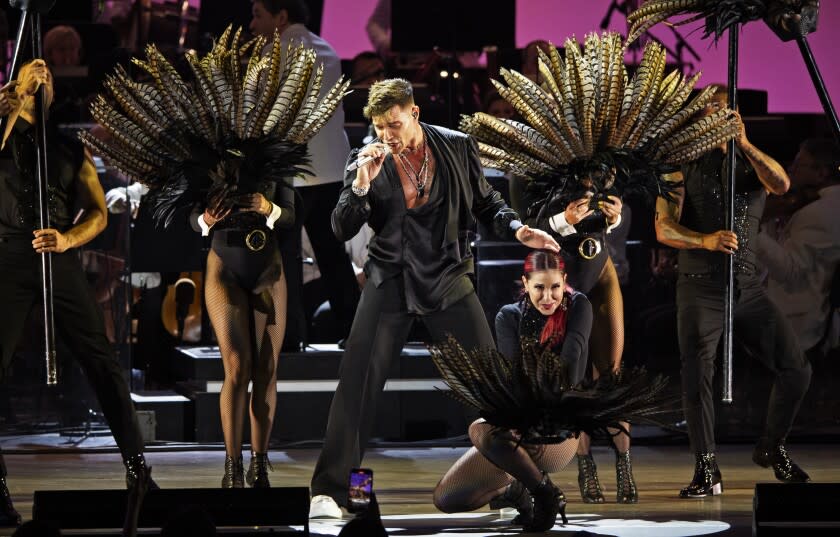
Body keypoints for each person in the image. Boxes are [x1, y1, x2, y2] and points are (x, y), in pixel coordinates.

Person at [308, 78, 560, 519]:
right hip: (390, 281)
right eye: (379, 126)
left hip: (448, 280)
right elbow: (340, 227)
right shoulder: (364, 159)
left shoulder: (458, 148)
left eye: (394, 123)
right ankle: (336, 490)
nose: (387, 134)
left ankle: (512, 485)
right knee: (358, 388)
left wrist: (519, 230)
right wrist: (361, 185)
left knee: (488, 389)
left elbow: (487, 204)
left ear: (415, 114)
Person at [0, 60, 152, 527]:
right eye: (31, 73)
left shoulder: (68, 146)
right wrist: (13, 101)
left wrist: (67, 238)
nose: (40, 77)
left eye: (45, 76)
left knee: (102, 362)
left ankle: (138, 473)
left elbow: (99, 212)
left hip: (58, 258)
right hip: (6, 257)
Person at [654, 86, 812, 498]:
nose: (717, 119)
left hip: (746, 287)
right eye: (710, 112)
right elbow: (663, 227)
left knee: (797, 368)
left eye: (725, 112)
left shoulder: (750, 159)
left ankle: (771, 446)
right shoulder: (680, 164)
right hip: (700, 287)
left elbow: (781, 184)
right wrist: (705, 240)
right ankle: (707, 468)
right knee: (697, 373)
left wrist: (744, 143)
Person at [433, 250, 591, 531]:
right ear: (525, 283)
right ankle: (528, 490)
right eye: (539, 287)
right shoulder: (509, 316)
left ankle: (543, 493)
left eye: (555, 287)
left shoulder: (578, 306)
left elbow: (570, 365)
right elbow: (514, 383)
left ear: (564, 281)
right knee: (447, 497)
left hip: (561, 426)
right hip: (519, 427)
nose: (548, 297)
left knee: (486, 432)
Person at [250, 0, 360, 347]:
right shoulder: (327, 48)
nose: (251, 25)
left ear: (281, 17)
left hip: (292, 173)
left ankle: (289, 337)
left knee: (284, 257)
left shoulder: (274, 52)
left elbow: (260, 115)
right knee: (332, 254)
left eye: (258, 15)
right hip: (330, 169)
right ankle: (354, 331)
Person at [523, 185, 637, 504]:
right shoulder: (535, 167)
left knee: (612, 374)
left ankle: (624, 465)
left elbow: (617, 212)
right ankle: (585, 467)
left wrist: (613, 217)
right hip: (560, 277)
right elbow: (521, 226)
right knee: (576, 379)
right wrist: (563, 219)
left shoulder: (599, 160)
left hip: (599, 267)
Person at [192, 170, 295, 488]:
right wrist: (206, 218)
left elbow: (290, 214)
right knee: (238, 367)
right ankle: (232, 466)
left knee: (267, 367)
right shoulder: (210, 152)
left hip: (268, 264)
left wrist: (269, 208)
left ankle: (259, 464)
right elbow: (190, 213)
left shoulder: (278, 153)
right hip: (225, 263)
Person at [755, 138, 840, 358]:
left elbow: (790, 272)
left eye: (798, 165)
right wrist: (770, 221)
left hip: (793, 324)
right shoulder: (819, 205)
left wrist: (753, 228)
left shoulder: (819, 212)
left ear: (821, 173)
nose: (790, 170)